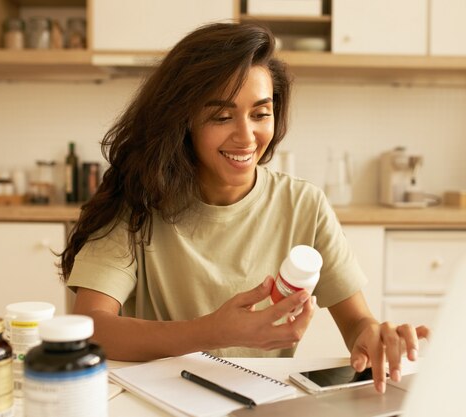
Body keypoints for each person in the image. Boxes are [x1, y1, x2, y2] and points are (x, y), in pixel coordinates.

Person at [60, 22, 428, 394]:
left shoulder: (304, 204)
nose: (246, 135)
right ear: (183, 119)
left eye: (260, 113)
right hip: (162, 402)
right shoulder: (137, 202)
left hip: (263, 401)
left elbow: (357, 323)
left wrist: (375, 336)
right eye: (221, 116)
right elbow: (92, 327)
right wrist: (212, 331)